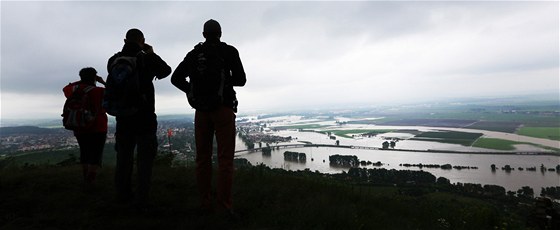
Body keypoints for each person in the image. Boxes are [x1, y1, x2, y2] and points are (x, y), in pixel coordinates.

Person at [171, 19, 246, 217]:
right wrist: (224, 82)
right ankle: (224, 206)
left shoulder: (194, 54)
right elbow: (241, 80)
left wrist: (192, 91)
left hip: (201, 111)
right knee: (225, 160)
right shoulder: (229, 51)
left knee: (202, 159)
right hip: (223, 109)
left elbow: (175, 78)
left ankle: (204, 203)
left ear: (204, 34)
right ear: (220, 33)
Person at [108, 28, 171, 209]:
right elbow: (166, 71)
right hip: (144, 117)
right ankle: (142, 198)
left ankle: (122, 195)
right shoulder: (146, 58)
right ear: (142, 40)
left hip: (123, 117)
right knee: (144, 160)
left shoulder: (113, 60)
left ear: (125, 40)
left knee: (124, 158)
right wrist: (150, 53)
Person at [63, 67, 108, 186]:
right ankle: (90, 180)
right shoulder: (99, 91)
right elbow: (114, 92)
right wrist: (102, 81)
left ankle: (85, 177)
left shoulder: (73, 90)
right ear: (95, 77)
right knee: (96, 153)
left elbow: (65, 88)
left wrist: (81, 81)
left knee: (85, 152)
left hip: (80, 126)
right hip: (98, 126)